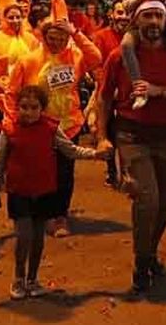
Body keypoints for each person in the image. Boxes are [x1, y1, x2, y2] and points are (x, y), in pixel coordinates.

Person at [93, 0, 166, 293]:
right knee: (147, 199)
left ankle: (149, 255)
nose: (153, 22)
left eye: (158, 16)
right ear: (135, 20)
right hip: (132, 135)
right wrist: (101, 137)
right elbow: (104, 98)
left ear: (165, 21)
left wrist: (158, 91)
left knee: (165, 200)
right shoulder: (119, 57)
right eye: (147, 16)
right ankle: (142, 263)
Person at [0, 84, 107, 299]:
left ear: (42, 109)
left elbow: (70, 150)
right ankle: (18, 278)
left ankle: (32, 279)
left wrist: (94, 154)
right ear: (17, 107)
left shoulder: (51, 129)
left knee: (38, 238)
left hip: (43, 191)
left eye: (34, 107)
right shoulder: (8, 130)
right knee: (23, 236)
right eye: (24, 107)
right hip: (19, 192)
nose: (28, 112)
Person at [5, 17, 102, 237]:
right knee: (39, 171)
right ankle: (40, 214)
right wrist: (11, 122)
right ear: (44, 37)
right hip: (37, 127)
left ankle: (60, 215)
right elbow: (12, 93)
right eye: (52, 38)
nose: (56, 43)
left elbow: (96, 57)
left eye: (61, 39)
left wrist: (76, 32)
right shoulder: (29, 60)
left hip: (69, 125)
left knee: (65, 173)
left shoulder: (75, 56)